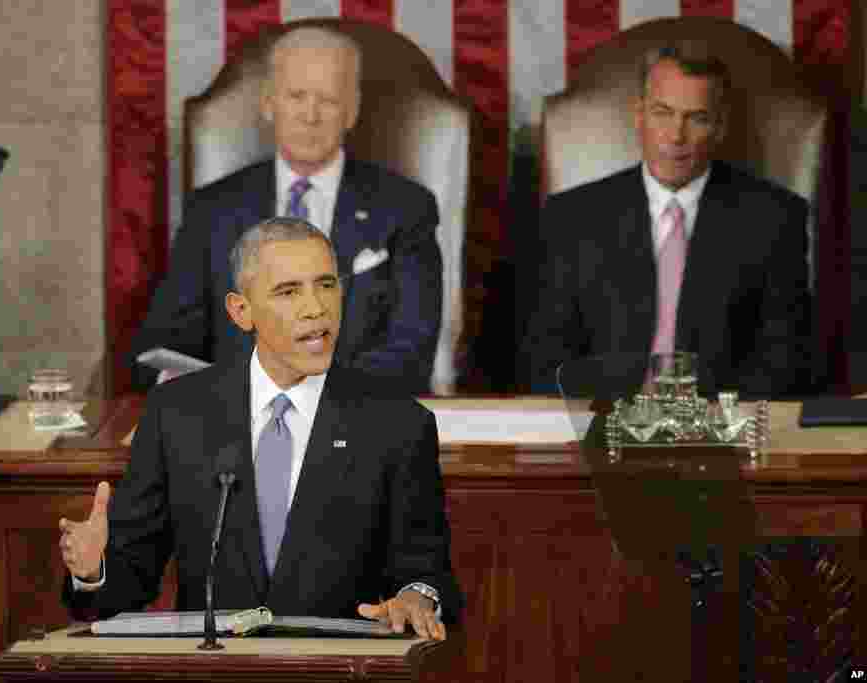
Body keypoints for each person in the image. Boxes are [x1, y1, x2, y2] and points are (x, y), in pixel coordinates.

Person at [61, 217, 460, 640]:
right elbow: (128, 582)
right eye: (288, 291)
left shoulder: (397, 424)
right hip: (213, 665)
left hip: (337, 664)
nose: (316, 308)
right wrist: (93, 571)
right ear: (241, 311)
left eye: (326, 285)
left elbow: (426, 571)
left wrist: (418, 597)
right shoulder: (176, 413)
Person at [130, 25, 442, 394]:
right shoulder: (211, 210)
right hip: (235, 420)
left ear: (352, 110)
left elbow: (411, 351)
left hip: (354, 416)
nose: (310, 115)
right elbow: (164, 342)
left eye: (328, 99)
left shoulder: (406, 209)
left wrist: (313, 400)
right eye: (296, 96)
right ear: (268, 103)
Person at [522, 42, 811, 397]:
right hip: (605, 419)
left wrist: (706, 415)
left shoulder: (775, 219)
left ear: (720, 127)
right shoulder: (572, 218)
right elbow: (545, 360)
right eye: (663, 113)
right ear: (639, 115)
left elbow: (784, 362)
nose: (676, 136)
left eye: (697, 118)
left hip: (719, 422)